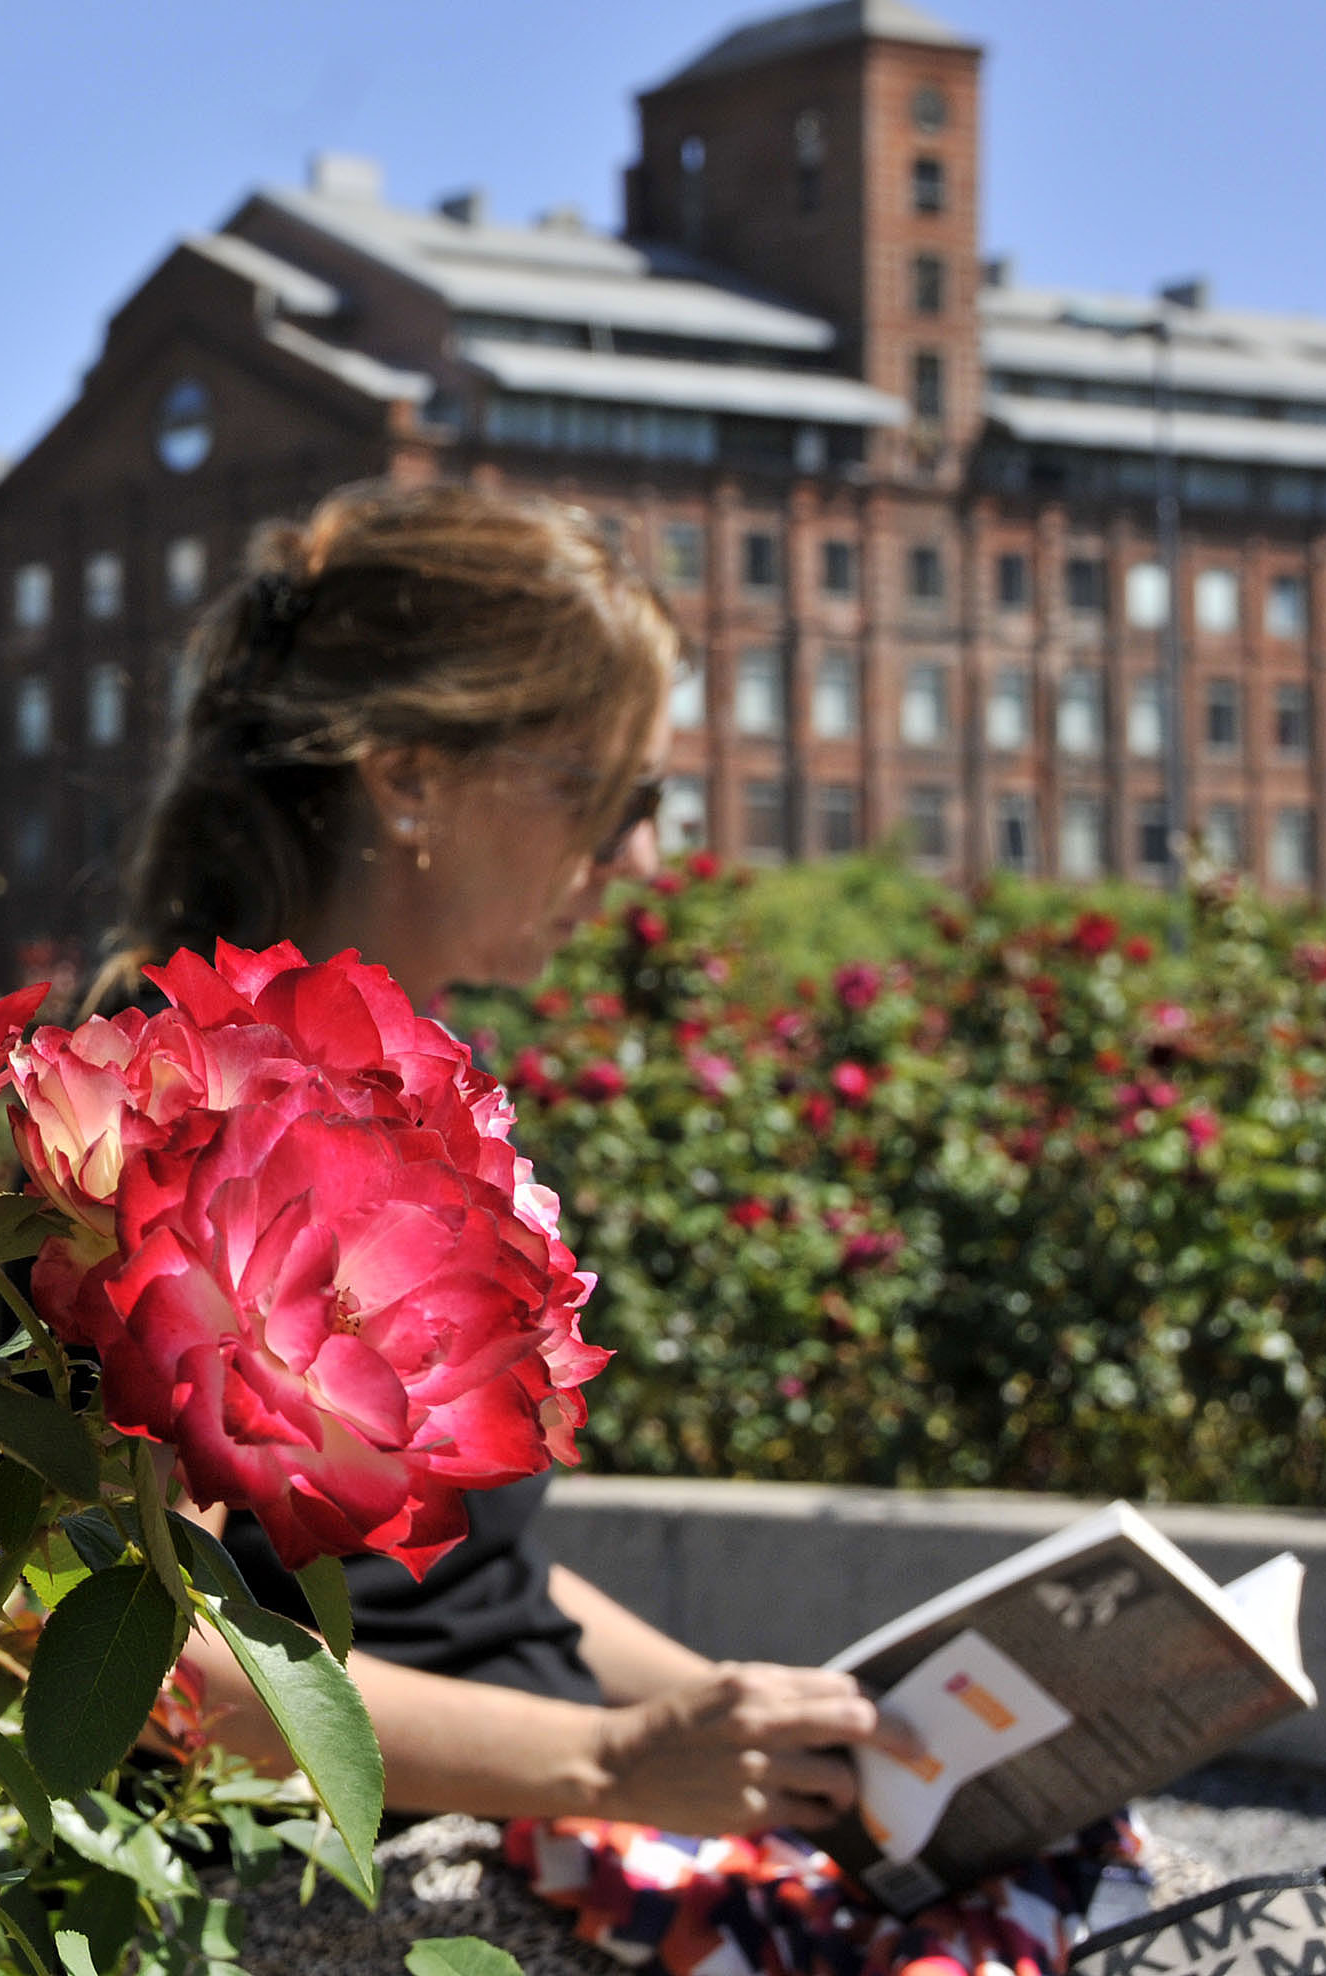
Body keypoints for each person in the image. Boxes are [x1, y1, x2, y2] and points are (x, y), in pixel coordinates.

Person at [102, 480, 1150, 1976]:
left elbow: (473, 1594)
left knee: (1070, 1864)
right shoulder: (173, 1107)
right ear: (409, 776)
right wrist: (612, 1770)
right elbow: (132, 1664)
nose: (646, 859)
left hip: (506, 1811)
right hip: (380, 1860)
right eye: (617, 796)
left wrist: (767, 1725)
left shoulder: (394, 1089)